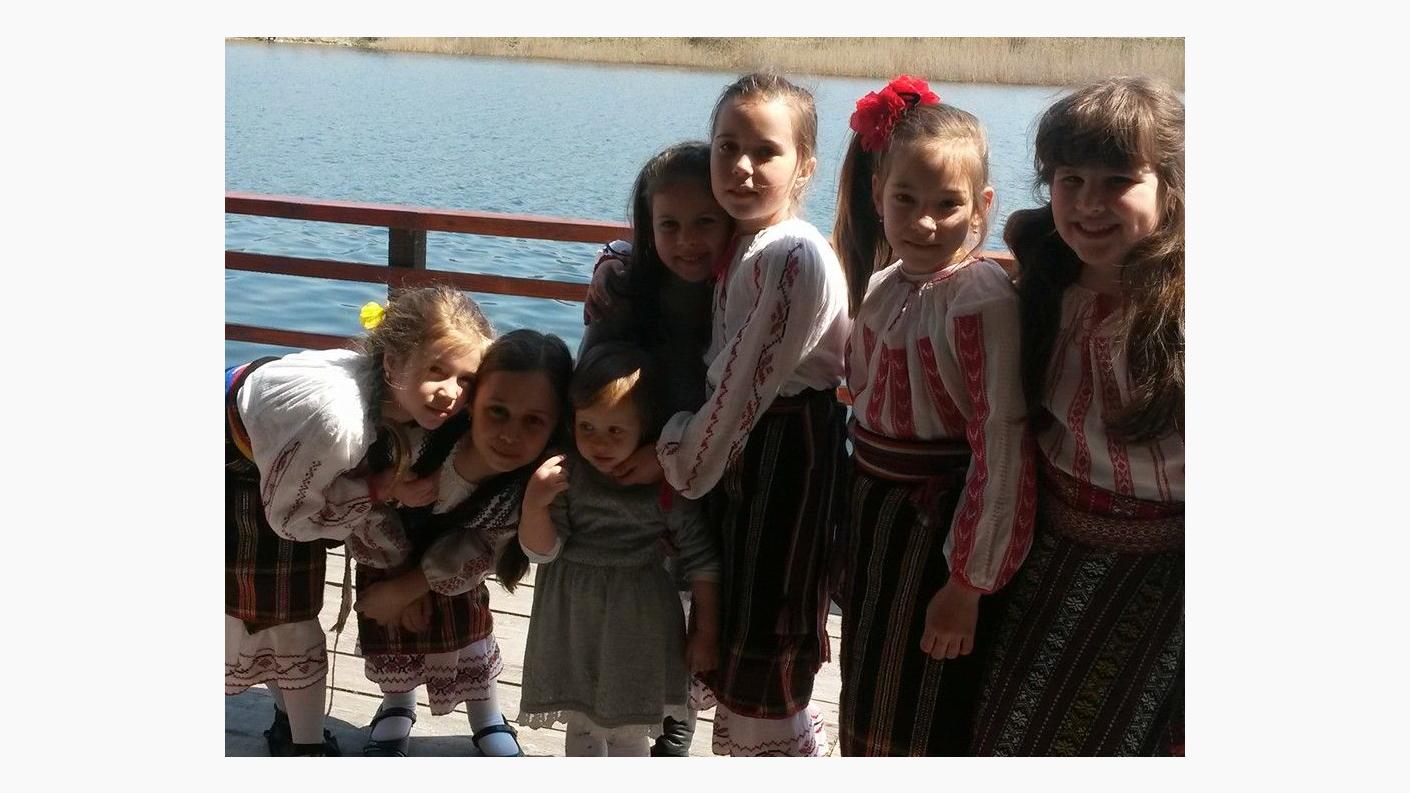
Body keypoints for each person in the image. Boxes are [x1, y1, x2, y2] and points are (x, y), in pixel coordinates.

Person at [968, 76, 1185, 756]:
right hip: (1047, 550)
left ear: (1171, 187)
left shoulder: (1186, 307)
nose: (1089, 203)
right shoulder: (1042, 285)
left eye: (1119, 181)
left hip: (1161, 574)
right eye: (1071, 181)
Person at [831, 75, 1035, 756]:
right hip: (876, 514)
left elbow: (1000, 444)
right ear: (878, 196)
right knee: (868, 681)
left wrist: (966, 583)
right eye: (906, 200)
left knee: (924, 695)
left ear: (983, 205)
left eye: (948, 204)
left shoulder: (980, 300)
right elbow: (862, 392)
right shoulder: (884, 286)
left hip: (938, 528)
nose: (924, 223)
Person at [655, 72, 850, 757]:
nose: (741, 165)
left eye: (765, 151)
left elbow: (740, 389)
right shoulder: (744, 243)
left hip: (782, 454)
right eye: (727, 146)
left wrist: (677, 457)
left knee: (768, 624)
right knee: (741, 624)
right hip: (753, 449)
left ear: (805, 166)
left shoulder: (791, 254)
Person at [225, 284, 493, 756]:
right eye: (436, 370)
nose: (451, 393)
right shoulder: (339, 423)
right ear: (391, 363)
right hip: (236, 463)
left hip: (281, 455)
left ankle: (289, 719)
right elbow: (292, 522)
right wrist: (378, 489)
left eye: (466, 380)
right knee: (270, 610)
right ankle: (302, 743)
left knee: (283, 609)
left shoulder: (402, 401)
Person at [352, 329, 573, 757]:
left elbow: (485, 549)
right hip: (386, 555)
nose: (510, 434)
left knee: (470, 638)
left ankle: (486, 713)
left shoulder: (522, 485)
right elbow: (369, 511)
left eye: (533, 421)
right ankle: (396, 702)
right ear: (472, 403)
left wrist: (414, 586)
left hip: (453, 574)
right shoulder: (420, 443)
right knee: (393, 637)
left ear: (554, 424)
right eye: (497, 411)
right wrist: (398, 581)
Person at [580, 140, 733, 754]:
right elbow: (593, 376)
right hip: (629, 460)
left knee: (695, 581)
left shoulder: (741, 283)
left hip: (705, 460)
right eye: (669, 225)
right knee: (644, 593)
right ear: (648, 227)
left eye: (705, 222)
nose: (688, 241)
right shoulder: (624, 285)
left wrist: (676, 459)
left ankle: (678, 716)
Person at [516, 343, 721, 756]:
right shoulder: (567, 474)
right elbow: (542, 551)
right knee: (581, 726)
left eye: (616, 431)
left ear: (644, 428)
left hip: (638, 624)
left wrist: (706, 631)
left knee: (629, 729)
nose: (599, 443)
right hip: (572, 622)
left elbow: (702, 558)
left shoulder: (664, 485)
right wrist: (535, 503)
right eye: (587, 427)